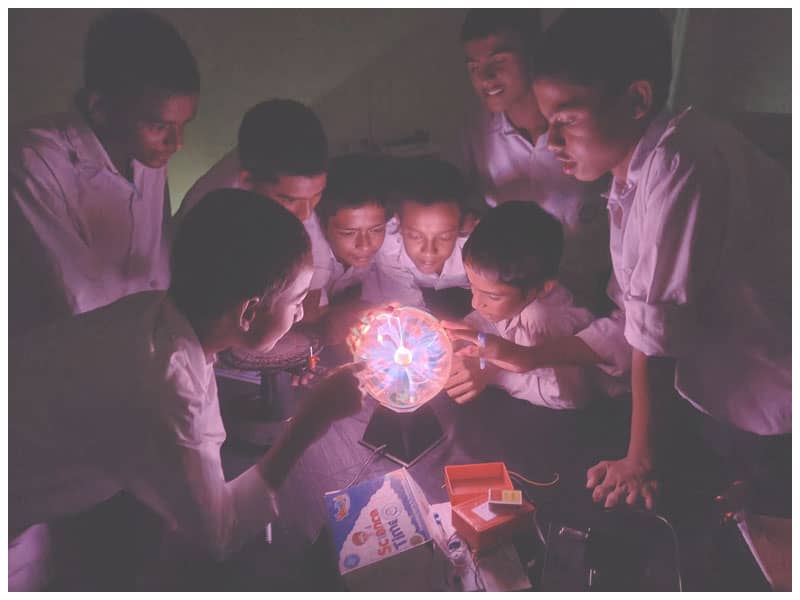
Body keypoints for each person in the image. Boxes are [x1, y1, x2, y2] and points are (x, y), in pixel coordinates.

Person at [467, 9, 790, 510]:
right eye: (549, 122)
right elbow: (632, 321)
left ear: (637, 98)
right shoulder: (632, 175)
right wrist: (530, 357)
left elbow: (654, 335)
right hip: (719, 393)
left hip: (768, 394)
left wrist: (639, 460)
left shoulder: (680, 164)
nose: (552, 143)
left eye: (567, 120)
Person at [9, 189, 364, 591]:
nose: (301, 312)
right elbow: (220, 534)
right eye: (296, 300)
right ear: (248, 311)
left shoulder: (151, 311)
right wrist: (312, 419)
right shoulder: (167, 386)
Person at [9, 9, 200, 336]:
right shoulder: (32, 160)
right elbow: (75, 298)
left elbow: (155, 264)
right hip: (59, 353)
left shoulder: (145, 152)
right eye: (160, 126)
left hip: (136, 339)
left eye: (183, 126)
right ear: (100, 108)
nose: (176, 143)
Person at [459, 9, 611, 309]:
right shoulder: (476, 131)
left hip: (593, 298)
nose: (485, 78)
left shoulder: (587, 131)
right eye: (474, 67)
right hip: (510, 301)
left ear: (533, 54)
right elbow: (471, 203)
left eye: (498, 62)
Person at [175, 99, 330, 320]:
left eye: (316, 197)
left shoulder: (291, 191)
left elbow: (315, 283)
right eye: (290, 200)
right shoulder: (209, 216)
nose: (306, 214)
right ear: (246, 181)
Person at [443, 202, 594, 408]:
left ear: (543, 288)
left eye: (492, 297)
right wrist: (460, 335)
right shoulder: (515, 293)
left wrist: (491, 372)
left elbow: (568, 395)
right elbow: (494, 322)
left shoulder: (542, 320)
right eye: (472, 286)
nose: (475, 302)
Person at [365, 156, 472, 317]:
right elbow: (410, 310)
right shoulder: (388, 246)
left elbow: (499, 301)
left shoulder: (478, 243)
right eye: (415, 236)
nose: (429, 252)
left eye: (444, 237)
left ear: (463, 225)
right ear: (399, 224)